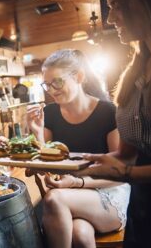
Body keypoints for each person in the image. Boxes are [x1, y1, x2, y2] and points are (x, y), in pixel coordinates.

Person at [75, 0, 151, 247]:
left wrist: (125, 172)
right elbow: (128, 154)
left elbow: (127, 166)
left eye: (117, 6)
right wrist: (78, 167)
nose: (110, 18)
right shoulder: (133, 73)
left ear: (150, 4)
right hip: (142, 206)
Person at [26, 49, 130, 248]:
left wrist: (76, 182)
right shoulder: (50, 113)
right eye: (47, 85)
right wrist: (37, 133)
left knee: (53, 199)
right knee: (80, 236)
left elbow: (118, 174)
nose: (52, 90)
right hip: (69, 194)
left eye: (57, 82)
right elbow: (46, 164)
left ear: (79, 77)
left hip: (108, 193)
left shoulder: (108, 112)